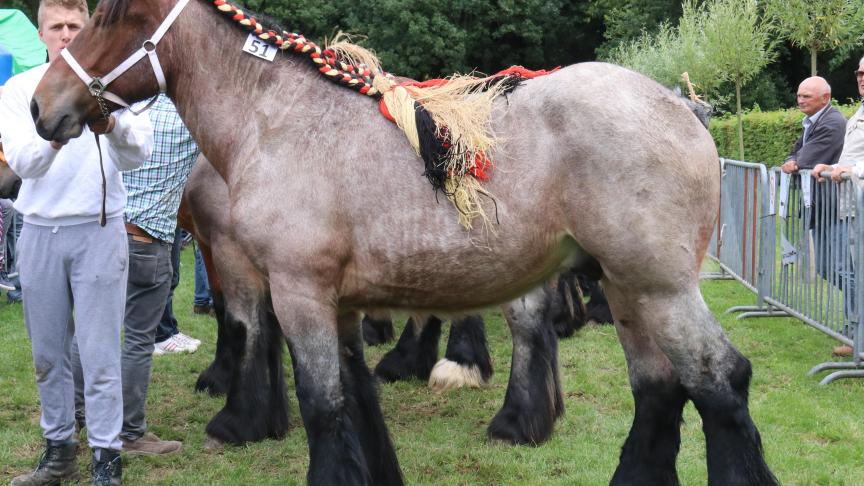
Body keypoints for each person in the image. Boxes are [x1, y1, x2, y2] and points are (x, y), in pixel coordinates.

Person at [0, 1, 153, 485]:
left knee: (100, 351)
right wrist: (58, 130)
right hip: (40, 231)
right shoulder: (20, 89)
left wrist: (112, 123)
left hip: (100, 229)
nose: (65, 34)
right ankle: (58, 449)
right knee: (49, 354)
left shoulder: (114, 87)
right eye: (56, 26)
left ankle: (107, 457)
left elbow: (138, 154)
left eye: (74, 25)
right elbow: (23, 163)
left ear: (87, 29)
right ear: (42, 32)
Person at [72, 94, 199, 456]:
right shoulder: (187, 118)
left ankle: (74, 416)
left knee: (88, 333)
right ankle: (130, 432)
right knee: (139, 340)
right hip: (148, 243)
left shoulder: (122, 112)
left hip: (103, 236)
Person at [812, 56, 864, 357]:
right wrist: (830, 166)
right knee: (851, 269)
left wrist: (850, 171)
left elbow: (857, 165)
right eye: (859, 72)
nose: (861, 78)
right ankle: (856, 333)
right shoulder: (859, 112)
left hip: (859, 203)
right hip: (854, 206)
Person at [780, 76, 846, 175]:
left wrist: (793, 162)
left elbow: (805, 160)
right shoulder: (813, 120)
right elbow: (795, 153)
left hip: (830, 188)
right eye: (799, 96)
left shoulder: (832, 123)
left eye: (806, 96)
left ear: (825, 98)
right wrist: (790, 161)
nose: (800, 101)